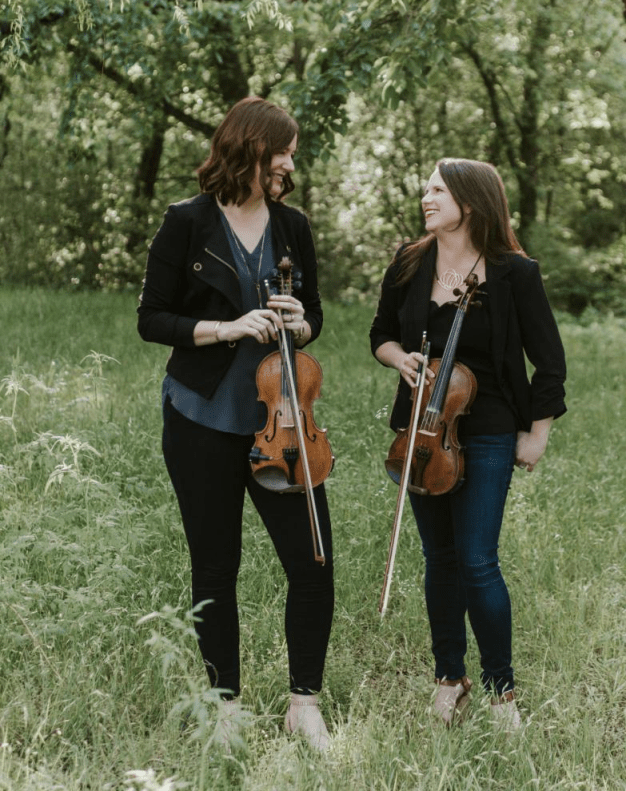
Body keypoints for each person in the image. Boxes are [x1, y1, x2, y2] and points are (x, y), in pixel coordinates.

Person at [137, 97, 334, 752]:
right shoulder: (186, 222)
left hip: (282, 422)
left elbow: (316, 319)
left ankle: (304, 704)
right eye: (285, 150)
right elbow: (152, 318)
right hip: (199, 417)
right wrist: (227, 326)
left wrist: (295, 319)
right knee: (215, 565)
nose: (290, 163)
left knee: (312, 559)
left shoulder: (293, 225)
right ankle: (225, 708)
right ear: (252, 147)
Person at [369, 158, 566, 731]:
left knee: (478, 562)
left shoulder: (514, 273)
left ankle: (502, 695)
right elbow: (380, 332)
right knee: (439, 559)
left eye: (437, 190)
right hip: (422, 430)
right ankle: (448, 680)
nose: (426, 197)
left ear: (471, 203)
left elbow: (549, 362)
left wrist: (537, 434)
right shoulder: (410, 261)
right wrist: (398, 357)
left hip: (487, 430)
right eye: (426, 189)